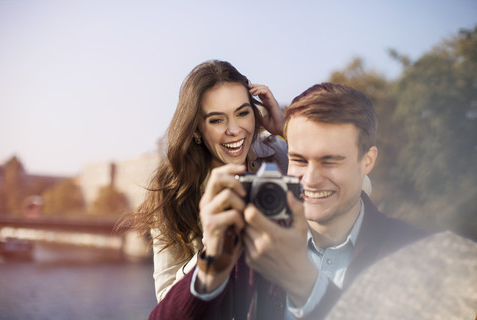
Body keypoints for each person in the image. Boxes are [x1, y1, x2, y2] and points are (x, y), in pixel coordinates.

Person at [148, 82, 426, 319]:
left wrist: (308, 285)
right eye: (299, 159)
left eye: (330, 161)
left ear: (368, 161)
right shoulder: (251, 241)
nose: (311, 179)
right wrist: (210, 269)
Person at [131, 59, 289, 302]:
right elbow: (166, 303)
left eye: (243, 113)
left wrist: (286, 131)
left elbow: (354, 189)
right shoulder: (171, 193)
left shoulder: (277, 152)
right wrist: (212, 251)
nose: (234, 129)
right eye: (217, 120)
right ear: (196, 128)